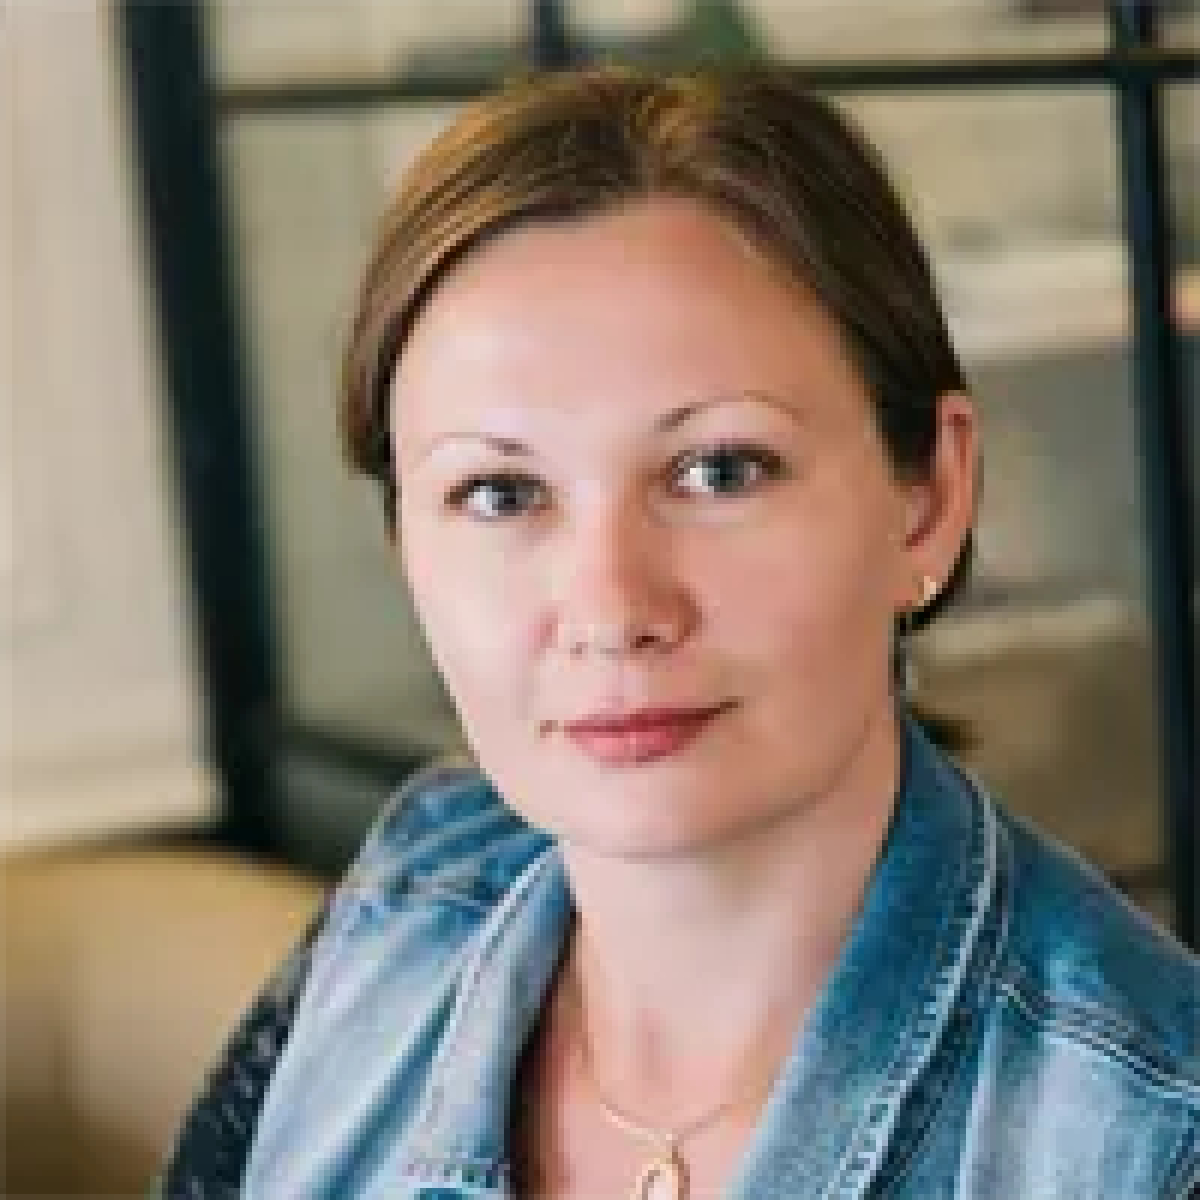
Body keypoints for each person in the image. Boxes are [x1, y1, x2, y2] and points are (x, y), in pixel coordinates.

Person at [157, 66, 1199, 1198]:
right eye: (500, 494)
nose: (612, 610)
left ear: (931, 500)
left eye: (719, 471)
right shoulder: (414, 891)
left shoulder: (1156, 1141)